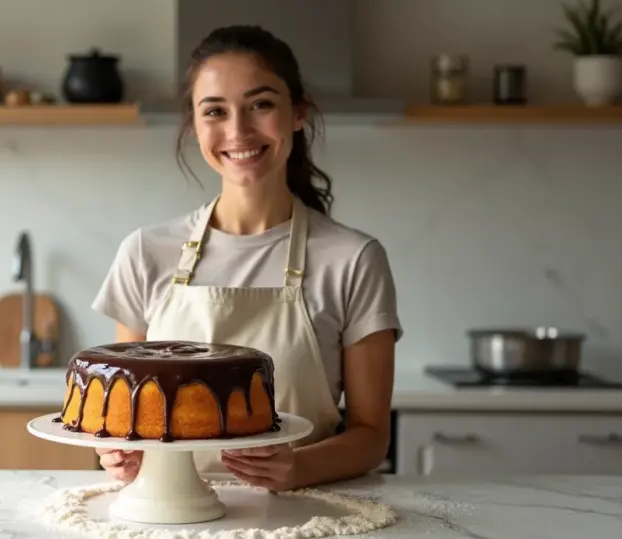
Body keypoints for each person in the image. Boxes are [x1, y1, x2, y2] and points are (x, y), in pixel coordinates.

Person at [90, 25, 402, 492]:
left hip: (301, 514)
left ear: (298, 112)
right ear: (195, 126)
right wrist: (117, 453)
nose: (238, 131)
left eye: (261, 104)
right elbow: (125, 415)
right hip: (168, 514)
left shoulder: (354, 260)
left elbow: (371, 436)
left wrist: (298, 468)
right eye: (215, 111)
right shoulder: (144, 253)